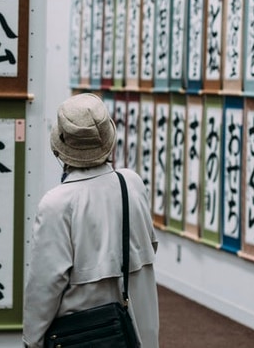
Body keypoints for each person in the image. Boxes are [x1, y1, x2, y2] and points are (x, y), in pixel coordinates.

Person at [22, 93, 160, 347]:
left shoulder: (57, 203)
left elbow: (45, 287)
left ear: (61, 148)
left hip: (83, 336)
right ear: (108, 140)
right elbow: (151, 245)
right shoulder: (131, 183)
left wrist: (31, 339)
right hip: (139, 329)